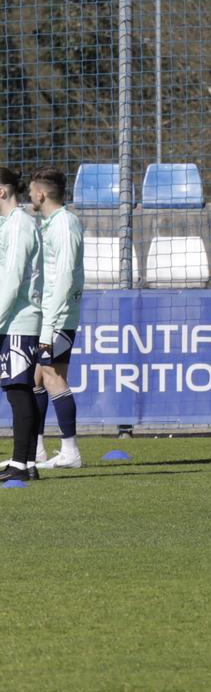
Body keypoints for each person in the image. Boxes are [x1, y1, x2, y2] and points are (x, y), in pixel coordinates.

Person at [30, 167, 84, 470]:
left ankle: (70, 451)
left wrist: (49, 325)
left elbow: (64, 277)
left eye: (31, 191)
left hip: (59, 316)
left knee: (53, 376)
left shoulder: (64, 224)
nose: (28, 196)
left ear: (40, 193)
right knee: (37, 376)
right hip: (50, 313)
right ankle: (35, 450)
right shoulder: (51, 223)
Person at [0, 167, 45, 485]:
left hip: (18, 319)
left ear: (1, 191)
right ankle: (26, 461)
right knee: (20, 389)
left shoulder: (19, 225)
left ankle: (20, 462)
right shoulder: (12, 225)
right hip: (13, 318)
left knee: (18, 390)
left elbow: (13, 278)